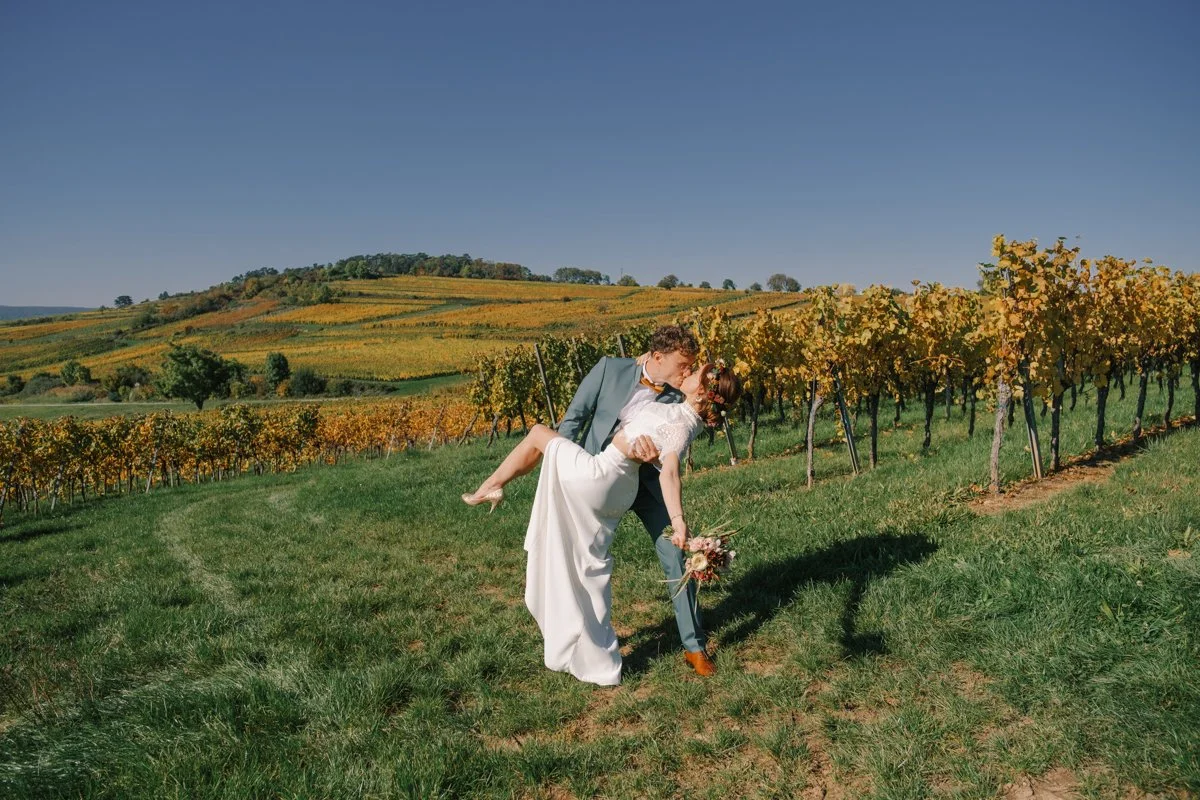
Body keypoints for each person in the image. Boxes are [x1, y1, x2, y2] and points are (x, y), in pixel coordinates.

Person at [463, 327, 741, 683]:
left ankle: (694, 645)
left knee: (675, 553)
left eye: (690, 368)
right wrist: (563, 469)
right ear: (657, 358)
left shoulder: (683, 394)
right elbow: (575, 418)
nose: (687, 372)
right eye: (682, 365)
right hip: (598, 470)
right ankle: (583, 640)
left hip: (648, 481)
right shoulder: (610, 369)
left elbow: (672, 448)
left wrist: (656, 463)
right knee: (584, 564)